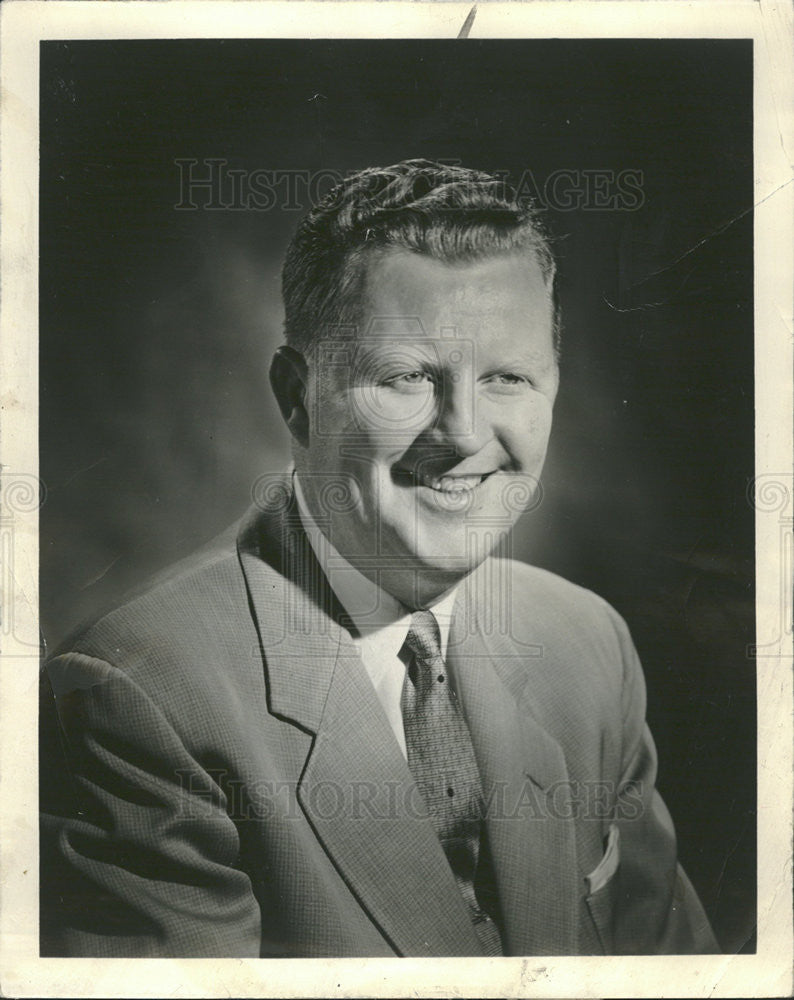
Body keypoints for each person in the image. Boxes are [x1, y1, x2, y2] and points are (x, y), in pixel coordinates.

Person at [39, 159, 719, 957]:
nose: (463, 434)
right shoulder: (138, 698)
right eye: (406, 378)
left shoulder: (588, 643)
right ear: (297, 397)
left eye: (507, 377)